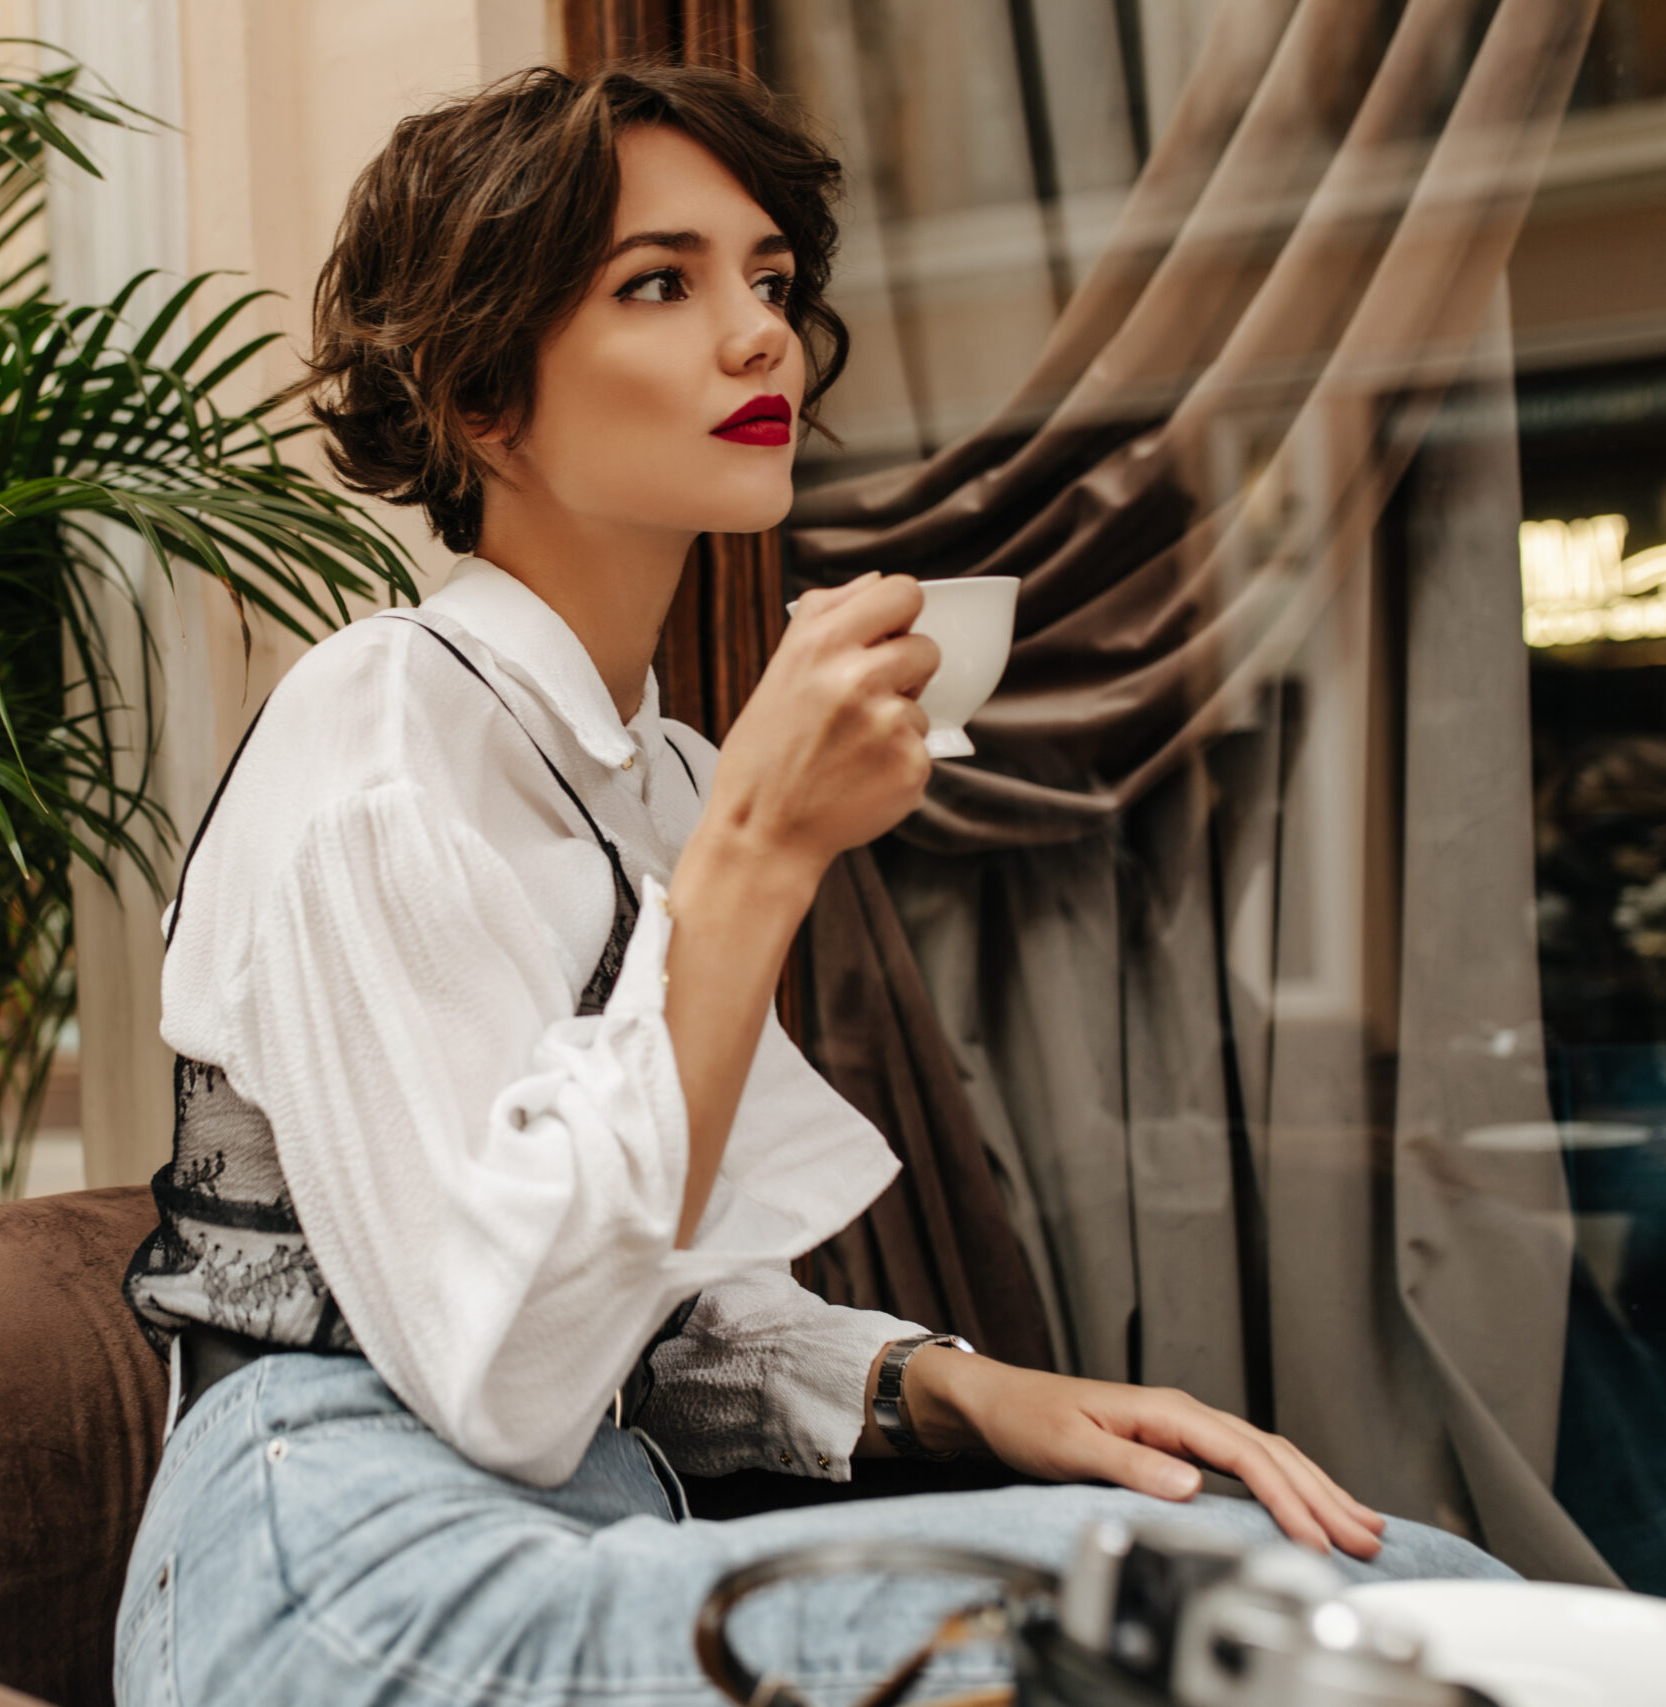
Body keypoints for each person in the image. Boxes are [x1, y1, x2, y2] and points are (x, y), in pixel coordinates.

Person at [114, 60, 1507, 1707]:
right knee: (1292, 1633)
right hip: (339, 1568)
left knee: (1375, 1579)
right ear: (482, 393)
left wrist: (960, 1392)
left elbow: (642, 1316)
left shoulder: (666, 779)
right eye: (661, 282)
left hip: (589, 1523)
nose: (760, 331)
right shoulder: (381, 726)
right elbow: (499, 1373)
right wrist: (762, 856)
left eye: (769, 279)